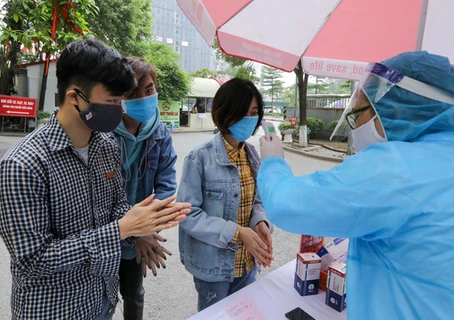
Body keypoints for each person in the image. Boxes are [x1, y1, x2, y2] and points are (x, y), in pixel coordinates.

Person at [258, 51, 454, 319]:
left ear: (395, 110)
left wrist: (273, 162)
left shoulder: (396, 168)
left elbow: (287, 204)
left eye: (359, 114)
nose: (355, 127)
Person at [0, 39, 191, 320]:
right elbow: (33, 261)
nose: (119, 109)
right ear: (75, 97)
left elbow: (115, 206)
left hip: (101, 300)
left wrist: (141, 224)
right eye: (113, 102)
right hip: (53, 311)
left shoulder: (105, 145)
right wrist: (122, 229)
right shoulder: (23, 165)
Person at [177, 78, 274, 311]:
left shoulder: (252, 156)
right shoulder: (199, 157)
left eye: (254, 112)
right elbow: (187, 214)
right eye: (243, 112)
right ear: (225, 113)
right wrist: (238, 232)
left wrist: (260, 221)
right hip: (214, 270)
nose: (250, 119)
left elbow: (258, 201)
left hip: (247, 265)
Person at [113, 57, 177, 320]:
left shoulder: (160, 134)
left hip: (141, 241)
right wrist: (135, 231)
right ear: (118, 97)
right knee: (97, 298)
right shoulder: (103, 133)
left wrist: (146, 231)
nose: (143, 98)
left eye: (149, 90)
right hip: (106, 234)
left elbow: (166, 188)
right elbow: (100, 194)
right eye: (133, 93)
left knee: (134, 293)